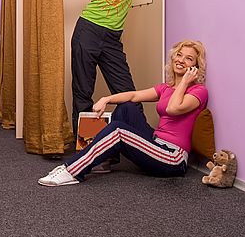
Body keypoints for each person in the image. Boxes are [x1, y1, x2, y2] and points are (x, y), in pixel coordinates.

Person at [38, 40, 207, 187]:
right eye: (179, 55)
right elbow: (134, 95)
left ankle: (72, 170)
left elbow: (173, 109)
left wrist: (184, 81)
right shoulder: (165, 88)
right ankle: (103, 160)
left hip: (172, 157)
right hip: (155, 142)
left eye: (189, 58)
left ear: (195, 67)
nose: (181, 60)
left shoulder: (199, 91)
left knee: (118, 131)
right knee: (127, 107)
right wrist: (106, 99)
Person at [61, 0, 173, 133]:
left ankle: (144, 140)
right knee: (83, 91)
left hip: (112, 38)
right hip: (87, 31)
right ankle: (88, 145)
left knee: (126, 90)